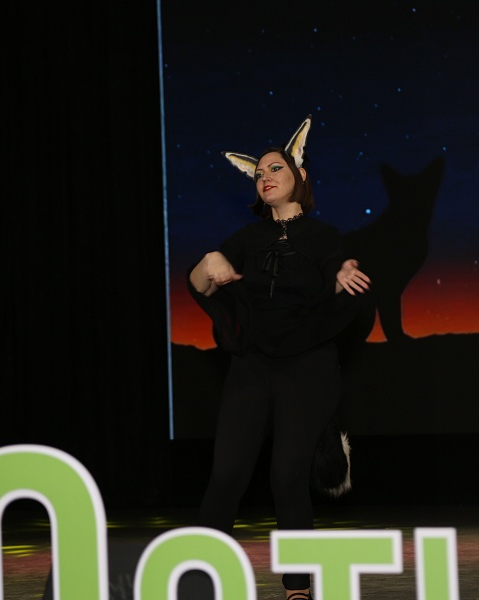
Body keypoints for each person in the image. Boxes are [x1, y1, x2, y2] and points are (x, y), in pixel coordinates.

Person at [187, 115, 371, 600]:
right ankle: (199, 580)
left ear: (299, 176)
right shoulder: (245, 240)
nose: (265, 176)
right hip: (252, 364)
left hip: (307, 367)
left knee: (287, 477)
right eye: (258, 173)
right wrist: (208, 264)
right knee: (227, 474)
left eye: (275, 168)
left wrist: (342, 274)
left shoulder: (324, 236)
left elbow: (338, 271)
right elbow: (200, 285)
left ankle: (297, 587)